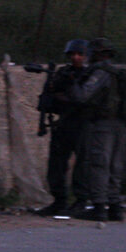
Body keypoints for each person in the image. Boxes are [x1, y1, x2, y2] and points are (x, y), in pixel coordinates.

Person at [65, 37, 125, 222]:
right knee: (114, 164)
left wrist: (73, 81)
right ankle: (114, 206)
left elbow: (82, 96)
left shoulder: (100, 72)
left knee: (99, 164)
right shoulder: (116, 71)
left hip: (102, 124)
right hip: (118, 123)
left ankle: (99, 207)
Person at [36, 39, 92, 216]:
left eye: (80, 54)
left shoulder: (92, 75)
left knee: (82, 165)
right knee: (57, 164)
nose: (76, 58)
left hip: (84, 123)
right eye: (72, 54)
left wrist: (66, 97)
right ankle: (59, 200)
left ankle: (80, 200)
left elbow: (82, 98)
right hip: (65, 122)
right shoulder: (63, 73)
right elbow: (53, 94)